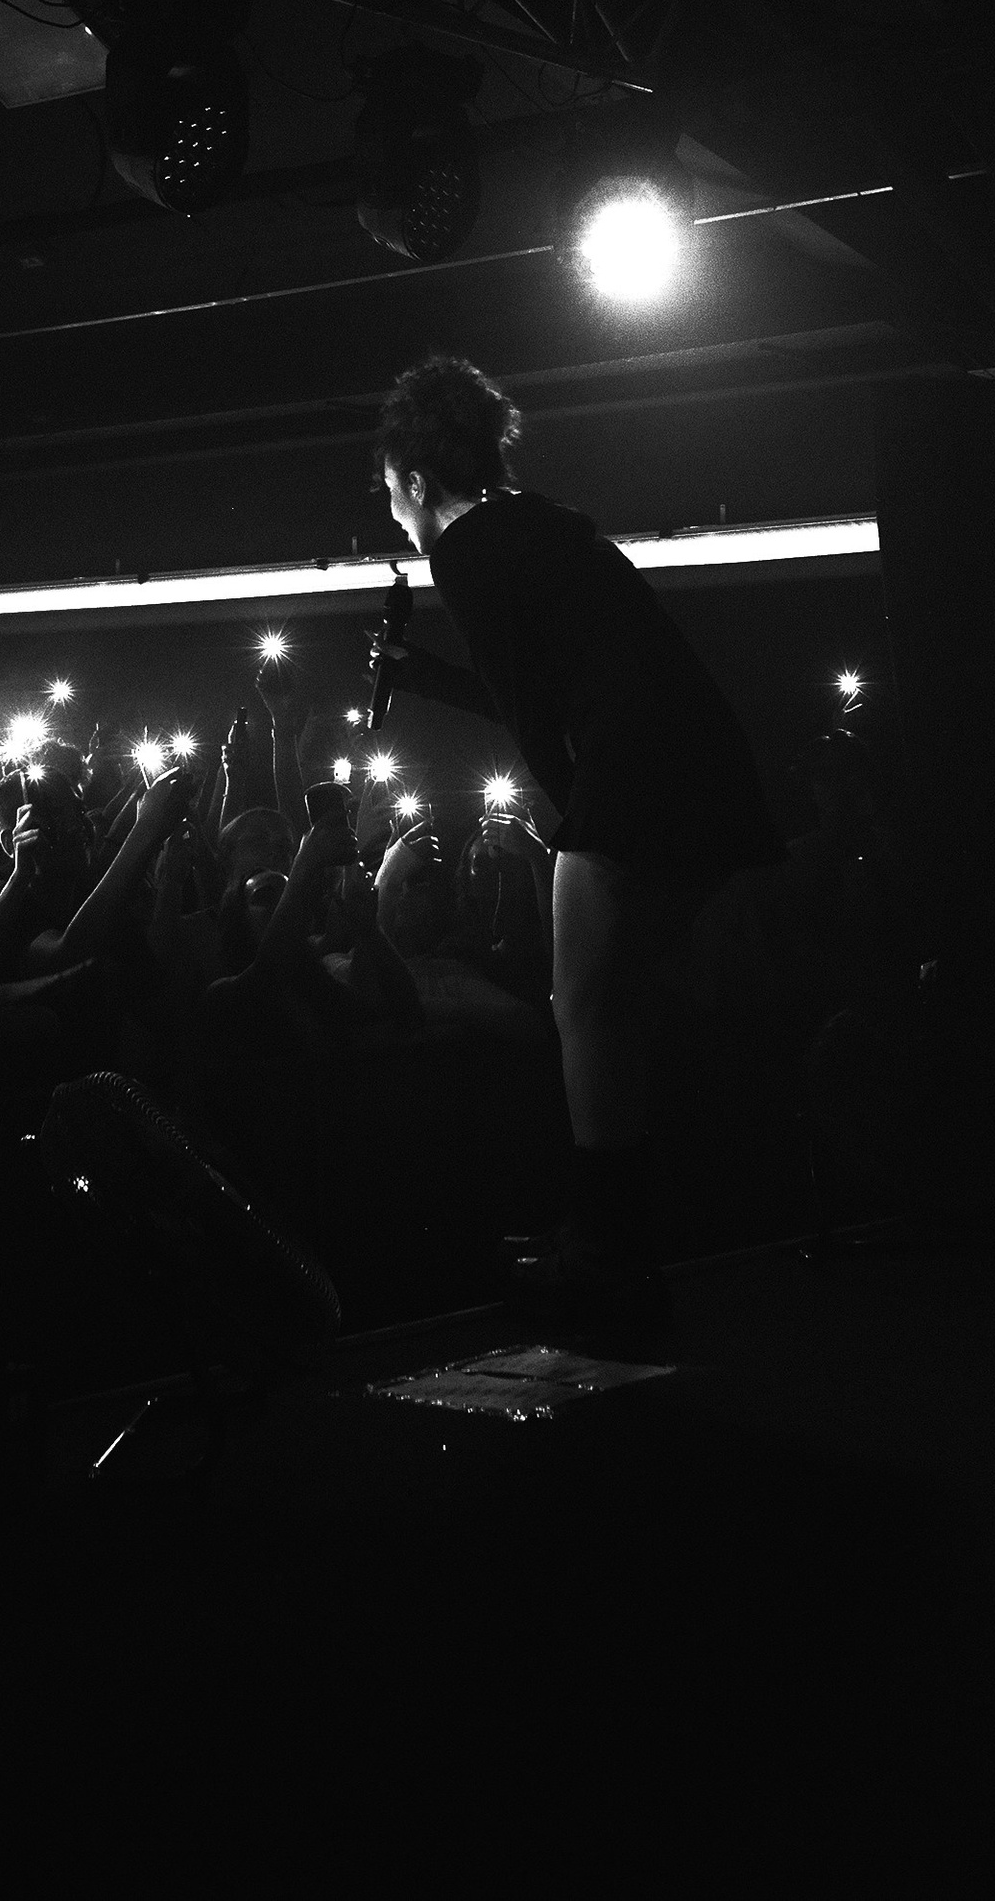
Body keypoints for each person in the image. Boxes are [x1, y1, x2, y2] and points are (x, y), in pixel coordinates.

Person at [369, 353, 782, 1332]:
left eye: (389, 490)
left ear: (417, 480)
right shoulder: (538, 524)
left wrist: (576, 833)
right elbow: (539, 681)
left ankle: (605, 1247)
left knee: (586, 1003)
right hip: (696, 754)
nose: (392, 510)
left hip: (629, 772)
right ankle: (630, 1232)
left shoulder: (461, 548)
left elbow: (530, 714)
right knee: (621, 1000)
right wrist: (425, 676)